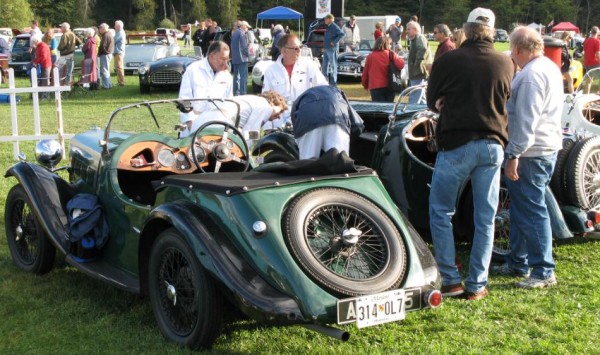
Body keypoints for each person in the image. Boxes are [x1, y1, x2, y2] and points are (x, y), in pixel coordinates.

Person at [426, 8, 514, 301]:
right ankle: (477, 284)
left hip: (456, 143)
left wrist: (446, 100)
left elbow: (431, 100)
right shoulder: (504, 62)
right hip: (492, 145)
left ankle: (451, 280)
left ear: (466, 28)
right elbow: (504, 99)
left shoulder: (450, 60)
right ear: (491, 31)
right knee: (485, 218)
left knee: (441, 211)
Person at [491, 26, 563, 289]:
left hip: (531, 153)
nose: (511, 54)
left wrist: (513, 154)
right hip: (545, 148)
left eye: (512, 49)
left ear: (519, 49)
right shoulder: (548, 67)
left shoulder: (531, 76)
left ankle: (543, 270)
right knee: (523, 209)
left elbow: (526, 122)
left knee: (532, 212)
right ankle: (518, 261)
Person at [261, 33, 328, 129]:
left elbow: (324, 87)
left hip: (305, 121)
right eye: (296, 48)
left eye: (300, 47)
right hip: (279, 124)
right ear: (284, 51)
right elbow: (265, 100)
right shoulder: (271, 71)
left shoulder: (309, 65)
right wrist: (268, 128)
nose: (299, 51)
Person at [178, 41, 233, 137]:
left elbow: (229, 103)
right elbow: (184, 100)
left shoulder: (227, 76)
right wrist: (190, 124)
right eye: (222, 59)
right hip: (195, 123)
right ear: (212, 55)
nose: (225, 63)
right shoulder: (193, 70)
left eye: (227, 59)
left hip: (219, 125)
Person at [291, 85, 353, 159]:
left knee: (307, 162)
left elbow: (296, 125)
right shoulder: (338, 93)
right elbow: (357, 125)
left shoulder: (300, 98)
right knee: (340, 161)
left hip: (308, 118)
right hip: (336, 116)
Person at [189, 91, 288, 135]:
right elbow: (250, 133)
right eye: (280, 111)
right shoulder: (266, 107)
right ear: (273, 103)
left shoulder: (251, 99)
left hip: (200, 122)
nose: (279, 117)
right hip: (218, 126)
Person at [361, 36, 405, 102]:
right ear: (387, 44)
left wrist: (365, 85)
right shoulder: (391, 54)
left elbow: (365, 73)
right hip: (390, 85)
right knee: (388, 108)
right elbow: (401, 65)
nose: (390, 46)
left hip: (375, 86)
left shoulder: (370, 56)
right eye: (390, 44)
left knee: (378, 109)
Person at [405, 20, 430, 104]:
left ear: (415, 30)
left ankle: (410, 113)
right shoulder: (415, 39)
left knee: (415, 94)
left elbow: (422, 48)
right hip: (417, 71)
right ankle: (424, 111)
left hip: (418, 72)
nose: (407, 31)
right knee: (421, 96)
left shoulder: (419, 37)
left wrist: (416, 63)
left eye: (408, 29)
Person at [322, 14, 345, 86]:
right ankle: (325, 82)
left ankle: (333, 83)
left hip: (332, 49)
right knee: (324, 66)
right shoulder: (328, 27)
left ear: (330, 19)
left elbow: (341, 34)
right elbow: (326, 38)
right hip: (326, 49)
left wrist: (334, 42)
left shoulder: (334, 26)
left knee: (333, 66)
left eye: (326, 19)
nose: (325, 20)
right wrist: (324, 47)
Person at [231, 21, 250, 96]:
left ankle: (235, 92)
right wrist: (248, 54)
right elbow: (244, 47)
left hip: (235, 58)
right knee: (243, 77)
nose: (247, 29)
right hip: (242, 58)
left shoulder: (234, 33)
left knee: (236, 77)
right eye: (247, 27)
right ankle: (243, 94)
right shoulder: (242, 33)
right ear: (243, 26)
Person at [98, 23, 114, 89]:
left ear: (103, 28)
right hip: (108, 53)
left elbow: (103, 46)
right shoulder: (109, 34)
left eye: (100, 28)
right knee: (107, 70)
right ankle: (109, 84)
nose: (99, 30)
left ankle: (105, 86)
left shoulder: (105, 35)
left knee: (104, 70)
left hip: (105, 54)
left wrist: (99, 53)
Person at [113, 20, 126, 86]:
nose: (114, 26)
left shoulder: (120, 33)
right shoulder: (120, 32)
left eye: (115, 25)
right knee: (118, 67)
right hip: (118, 52)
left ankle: (121, 82)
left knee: (119, 67)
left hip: (118, 52)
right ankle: (120, 81)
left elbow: (113, 40)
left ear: (118, 26)